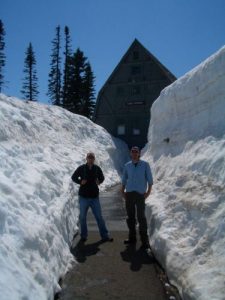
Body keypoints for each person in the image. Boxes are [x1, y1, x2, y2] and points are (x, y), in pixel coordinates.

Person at [71, 152, 113, 243]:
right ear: (86, 158)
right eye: (89, 157)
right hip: (83, 197)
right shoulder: (81, 168)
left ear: (94, 159)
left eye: (92, 157)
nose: (90, 159)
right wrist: (80, 181)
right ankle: (84, 236)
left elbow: (102, 177)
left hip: (94, 198)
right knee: (82, 217)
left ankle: (105, 235)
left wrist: (99, 181)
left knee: (99, 217)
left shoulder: (97, 169)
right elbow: (73, 177)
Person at [121, 146, 153, 249]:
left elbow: (150, 180)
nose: (134, 153)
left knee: (141, 217)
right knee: (130, 217)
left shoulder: (145, 165)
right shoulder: (127, 166)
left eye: (136, 152)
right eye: (133, 152)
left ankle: (144, 241)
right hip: (129, 194)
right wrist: (122, 191)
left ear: (139, 153)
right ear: (131, 153)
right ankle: (132, 238)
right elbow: (124, 180)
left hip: (140, 194)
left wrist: (148, 192)